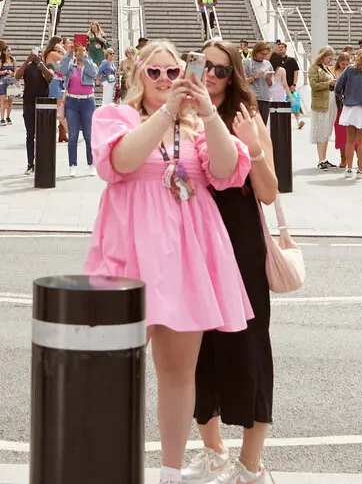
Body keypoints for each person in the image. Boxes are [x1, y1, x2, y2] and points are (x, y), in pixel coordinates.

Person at [86, 41, 252, 484]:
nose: (164, 81)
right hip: (129, 249)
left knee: (178, 371)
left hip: (186, 255)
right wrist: (165, 113)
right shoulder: (117, 117)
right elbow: (121, 160)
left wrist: (208, 112)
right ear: (139, 76)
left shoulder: (197, 126)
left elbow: (227, 167)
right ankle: (110, 463)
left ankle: (169, 473)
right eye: (154, 73)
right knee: (114, 364)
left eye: (172, 72)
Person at [188, 38, 281, 484]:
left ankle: (251, 463)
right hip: (194, 241)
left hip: (240, 241)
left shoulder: (245, 115)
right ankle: (214, 453)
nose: (210, 75)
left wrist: (254, 147)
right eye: (205, 65)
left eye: (221, 70)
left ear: (234, 76)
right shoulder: (179, 112)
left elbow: (268, 192)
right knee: (194, 347)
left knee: (249, 345)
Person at [333, 49, 362, 177]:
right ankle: (360, 169)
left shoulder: (349, 70)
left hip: (350, 107)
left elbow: (338, 87)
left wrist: (342, 97)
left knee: (350, 140)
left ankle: (349, 168)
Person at [63, 39, 100, 170]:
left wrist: (84, 57)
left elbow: (94, 73)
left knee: (88, 135)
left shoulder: (91, 65)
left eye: (82, 50)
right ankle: (72, 164)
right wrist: (69, 54)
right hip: (72, 101)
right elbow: (61, 70)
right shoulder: (70, 66)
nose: (79, 52)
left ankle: (91, 164)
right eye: (78, 51)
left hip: (87, 102)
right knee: (73, 135)